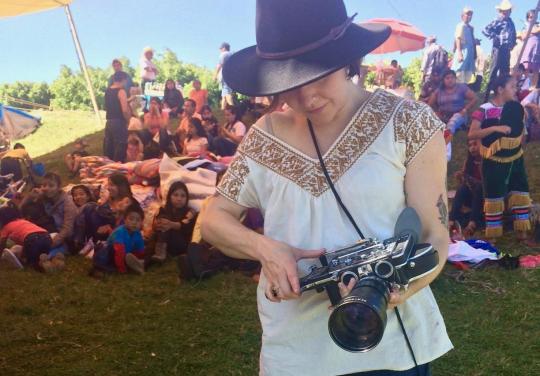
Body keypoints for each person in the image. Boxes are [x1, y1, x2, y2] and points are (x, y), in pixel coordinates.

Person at [201, 1, 451, 375]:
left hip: (392, 349)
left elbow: (435, 237)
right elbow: (212, 218)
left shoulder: (410, 122)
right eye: (290, 84)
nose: (306, 98)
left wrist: (391, 293)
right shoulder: (263, 137)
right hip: (294, 354)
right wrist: (264, 248)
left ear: (347, 59)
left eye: (318, 76)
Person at [468, 75, 534, 244]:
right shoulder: (484, 109)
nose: (516, 90)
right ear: (500, 89)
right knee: (494, 194)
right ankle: (493, 233)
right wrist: (496, 128)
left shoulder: (517, 108)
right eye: (512, 86)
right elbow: (472, 134)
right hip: (493, 160)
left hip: (515, 158)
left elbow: (522, 133)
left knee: (520, 190)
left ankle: (522, 232)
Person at [21, 173, 77, 256]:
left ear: (58, 187)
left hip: (63, 237)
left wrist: (51, 244)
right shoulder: (44, 197)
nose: (47, 188)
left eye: (51, 186)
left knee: (41, 252)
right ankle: (32, 248)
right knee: (31, 207)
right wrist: (30, 196)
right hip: (49, 231)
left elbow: (67, 229)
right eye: (44, 185)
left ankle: (47, 252)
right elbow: (22, 209)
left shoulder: (67, 203)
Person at [94, 202, 145, 275]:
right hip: (110, 255)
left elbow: (140, 250)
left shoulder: (137, 233)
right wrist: (122, 269)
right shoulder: (120, 232)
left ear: (141, 223)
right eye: (131, 219)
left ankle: (138, 263)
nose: (134, 223)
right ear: (124, 220)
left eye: (138, 220)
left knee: (136, 253)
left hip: (124, 255)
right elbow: (119, 252)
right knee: (109, 252)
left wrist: (141, 256)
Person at [0, 205, 55, 271]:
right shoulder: (22, 221)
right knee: (40, 256)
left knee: (29, 262)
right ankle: (52, 261)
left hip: (32, 239)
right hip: (46, 236)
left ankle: (42, 267)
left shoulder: (6, 227)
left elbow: (2, 244)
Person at [152, 181, 196, 262]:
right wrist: (157, 224)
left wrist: (170, 224)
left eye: (183, 196)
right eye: (175, 195)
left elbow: (185, 226)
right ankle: (143, 263)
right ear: (169, 196)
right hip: (163, 240)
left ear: (187, 198)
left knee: (167, 227)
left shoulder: (190, 212)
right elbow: (155, 227)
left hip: (180, 243)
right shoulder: (162, 209)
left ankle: (161, 253)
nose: (179, 199)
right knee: (154, 236)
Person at [449, 139, 484, 238]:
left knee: (479, 188)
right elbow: (465, 180)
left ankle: (472, 224)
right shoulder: (469, 161)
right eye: (470, 145)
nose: (472, 148)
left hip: (485, 197)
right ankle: (451, 221)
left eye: (475, 144)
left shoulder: (488, 160)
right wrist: (461, 177)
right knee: (462, 188)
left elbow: (488, 183)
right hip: (472, 197)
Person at [483, 0, 517, 101]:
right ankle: (487, 96)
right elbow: (485, 30)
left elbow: (513, 34)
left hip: (506, 50)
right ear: (500, 11)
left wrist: (512, 44)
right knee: (493, 71)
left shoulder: (511, 22)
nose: (505, 12)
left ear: (509, 11)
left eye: (506, 10)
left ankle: (503, 96)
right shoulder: (498, 20)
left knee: (505, 72)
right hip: (498, 49)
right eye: (503, 11)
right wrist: (495, 37)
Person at [428, 69, 477, 134]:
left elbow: (474, 98)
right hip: (443, 116)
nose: (450, 80)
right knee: (429, 123)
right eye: (447, 78)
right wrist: (436, 112)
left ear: (455, 79)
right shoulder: (439, 90)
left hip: (459, 114)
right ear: (443, 80)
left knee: (451, 124)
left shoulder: (461, 87)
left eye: (452, 77)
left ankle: (447, 140)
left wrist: (465, 109)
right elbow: (429, 104)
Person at [104, 71, 131, 162]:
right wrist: (128, 120)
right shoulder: (121, 91)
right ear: (123, 80)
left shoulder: (108, 91)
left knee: (109, 147)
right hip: (119, 122)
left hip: (109, 122)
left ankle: (107, 168)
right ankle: (117, 170)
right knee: (120, 147)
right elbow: (124, 110)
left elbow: (113, 103)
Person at [452, 7, 477, 84]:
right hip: (463, 51)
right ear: (462, 15)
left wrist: (474, 53)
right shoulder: (460, 25)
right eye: (467, 14)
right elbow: (457, 39)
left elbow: (473, 41)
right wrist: (459, 53)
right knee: (459, 73)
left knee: (467, 77)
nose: (469, 16)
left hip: (470, 54)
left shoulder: (471, 28)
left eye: (470, 15)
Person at [519, 9, 540, 88]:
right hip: (528, 50)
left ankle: (532, 88)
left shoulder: (537, 25)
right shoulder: (526, 26)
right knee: (526, 68)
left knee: (536, 70)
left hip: (537, 51)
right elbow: (524, 36)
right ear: (528, 18)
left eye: (534, 16)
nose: (532, 18)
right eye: (530, 17)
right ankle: (525, 87)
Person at [215, 42, 234, 109]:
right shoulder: (232, 54)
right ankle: (222, 109)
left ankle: (232, 108)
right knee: (224, 95)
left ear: (224, 48)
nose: (220, 50)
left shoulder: (224, 54)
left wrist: (215, 75)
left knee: (227, 93)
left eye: (221, 48)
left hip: (225, 75)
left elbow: (220, 65)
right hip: (231, 75)